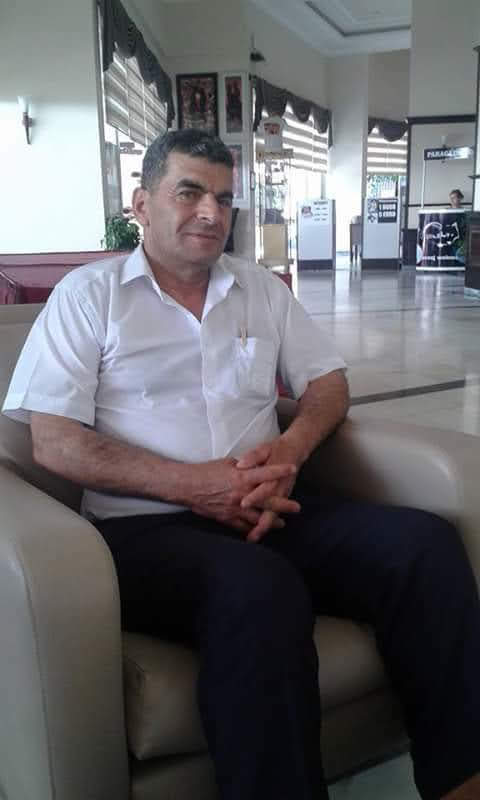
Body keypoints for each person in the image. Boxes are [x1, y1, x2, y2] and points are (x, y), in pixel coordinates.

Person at [3, 129, 480, 800]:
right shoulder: (89, 296)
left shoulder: (258, 288)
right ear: (141, 203)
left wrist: (291, 449)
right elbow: (55, 442)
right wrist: (197, 487)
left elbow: (327, 384)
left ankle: (462, 780)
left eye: (224, 199)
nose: (211, 212)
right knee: (258, 588)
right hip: (143, 530)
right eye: (189, 192)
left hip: (271, 503)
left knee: (423, 545)